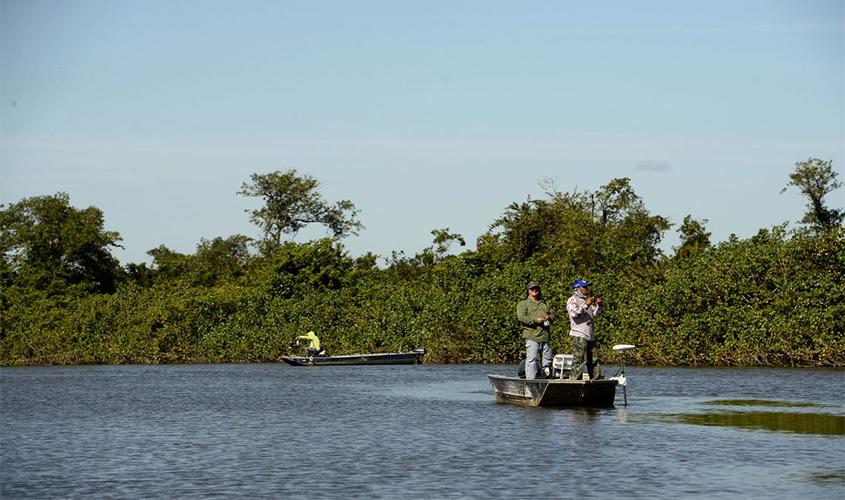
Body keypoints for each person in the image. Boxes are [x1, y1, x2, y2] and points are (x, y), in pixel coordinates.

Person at [566, 279, 604, 380]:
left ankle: (596, 380)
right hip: (579, 335)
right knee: (579, 360)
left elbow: (596, 313)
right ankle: (575, 380)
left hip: (590, 335)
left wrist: (599, 305)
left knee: (594, 360)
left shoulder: (586, 299)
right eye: (585, 287)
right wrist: (586, 305)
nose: (587, 289)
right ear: (578, 288)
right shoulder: (572, 300)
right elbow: (574, 314)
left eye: (587, 286)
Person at [516, 281, 555, 379]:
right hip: (531, 336)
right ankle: (530, 381)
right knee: (532, 359)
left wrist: (548, 318)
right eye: (532, 289)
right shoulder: (523, 304)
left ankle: (545, 378)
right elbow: (521, 317)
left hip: (545, 336)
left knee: (547, 360)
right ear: (528, 291)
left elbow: (552, 316)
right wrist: (535, 320)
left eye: (536, 288)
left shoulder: (545, 303)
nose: (534, 290)